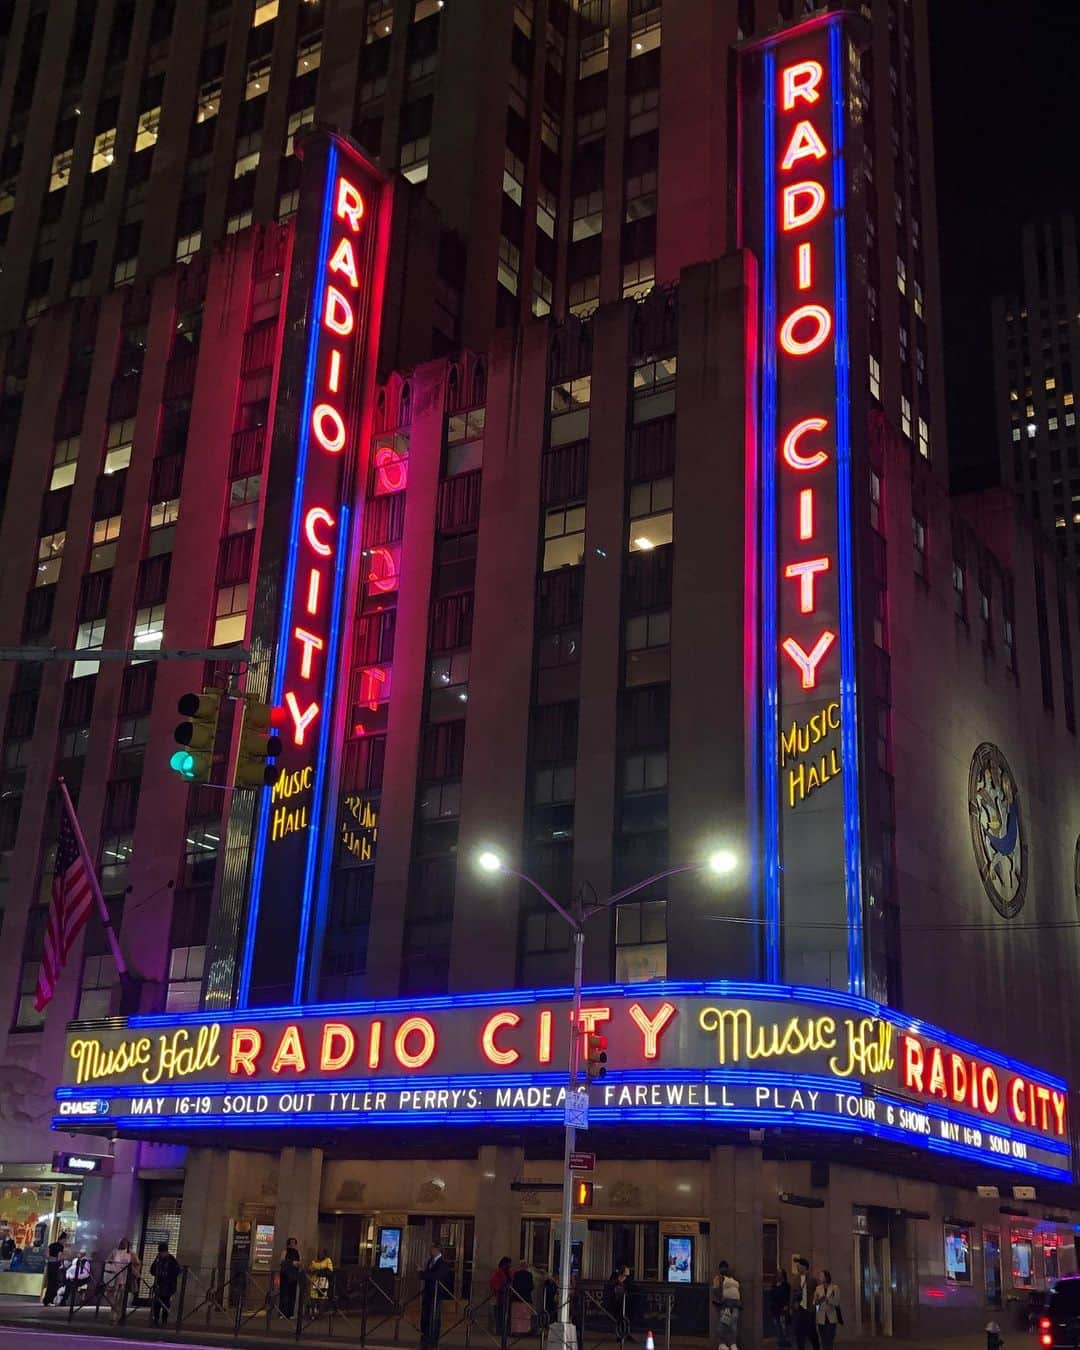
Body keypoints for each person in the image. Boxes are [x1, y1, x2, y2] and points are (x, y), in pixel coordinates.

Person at [419, 1242, 453, 1348]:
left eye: (432, 1248)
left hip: (436, 1295)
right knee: (425, 1317)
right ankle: (425, 1337)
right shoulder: (430, 1261)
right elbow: (428, 1275)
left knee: (434, 1318)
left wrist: (423, 1273)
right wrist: (422, 1273)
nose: (430, 1250)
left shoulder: (442, 1264)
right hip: (428, 1293)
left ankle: (433, 1339)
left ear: (437, 1250)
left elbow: (435, 1276)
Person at [104, 1239, 140, 1324]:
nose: (123, 1244)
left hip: (125, 1278)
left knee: (122, 1299)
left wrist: (136, 1274)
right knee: (114, 1298)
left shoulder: (131, 1253)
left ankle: (119, 1316)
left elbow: (137, 1263)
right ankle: (113, 1316)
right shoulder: (115, 1251)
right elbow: (108, 1261)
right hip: (115, 1277)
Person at [149, 1241, 181, 1327]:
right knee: (157, 1303)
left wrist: (170, 1277)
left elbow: (177, 1270)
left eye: (162, 1252)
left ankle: (164, 1320)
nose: (161, 1254)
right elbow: (152, 1270)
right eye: (160, 1252)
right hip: (159, 1284)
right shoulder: (158, 1260)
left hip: (168, 1285)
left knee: (166, 1303)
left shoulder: (171, 1260)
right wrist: (156, 1262)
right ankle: (156, 1319)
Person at [712, 1261, 741, 1350]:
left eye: (726, 1267)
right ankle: (722, 1343)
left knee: (734, 1325)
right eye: (723, 1267)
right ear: (720, 1269)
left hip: (735, 1305)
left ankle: (733, 1343)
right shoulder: (718, 1278)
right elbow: (715, 1289)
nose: (725, 1269)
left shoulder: (733, 1278)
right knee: (724, 1324)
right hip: (726, 1305)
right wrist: (722, 1299)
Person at [791, 1258, 819, 1350]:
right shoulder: (795, 1280)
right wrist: (793, 1305)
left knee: (812, 1334)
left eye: (799, 1265)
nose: (797, 1267)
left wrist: (815, 1308)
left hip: (809, 1311)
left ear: (804, 1267)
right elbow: (792, 1294)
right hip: (798, 1311)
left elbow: (817, 1295)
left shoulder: (813, 1281)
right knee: (799, 1335)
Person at [813, 1269, 840, 1349]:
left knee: (829, 1340)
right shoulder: (818, 1288)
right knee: (823, 1340)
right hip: (821, 1318)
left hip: (831, 1318)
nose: (819, 1277)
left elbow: (837, 1302)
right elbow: (815, 1303)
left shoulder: (835, 1288)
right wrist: (818, 1302)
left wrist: (828, 1300)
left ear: (826, 1277)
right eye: (819, 1276)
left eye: (821, 1276)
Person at [278, 1238, 301, 1318]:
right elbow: (281, 1261)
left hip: (294, 1275)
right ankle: (282, 1312)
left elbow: (301, 1262)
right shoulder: (285, 1252)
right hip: (285, 1275)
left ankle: (290, 1313)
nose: (293, 1245)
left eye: (294, 1243)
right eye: (291, 1243)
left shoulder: (297, 1252)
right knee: (284, 1294)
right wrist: (291, 1263)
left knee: (292, 1294)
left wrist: (298, 1264)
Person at [511, 1260, 535, 1336]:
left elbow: (514, 1285)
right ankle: (524, 1331)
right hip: (526, 1297)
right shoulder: (529, 1275)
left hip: (517, 1297)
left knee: (516, 1315)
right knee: (525, 1316)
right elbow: (531, 1286)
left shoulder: (516, 1274)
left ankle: (516, 1331)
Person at [490, 1256, 513, 1334]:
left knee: (504, 1314)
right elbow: (494, 1283)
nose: (509, 1266)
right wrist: (501, 1288)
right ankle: (499, 1330)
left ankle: (504, 1329)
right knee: (499, 1314)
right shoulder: (498, 1272)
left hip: (506, 1296)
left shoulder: (508, 1272)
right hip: (499, 1296)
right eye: (508, 1264)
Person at [770, 1269, 793, 1347]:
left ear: (783, 1275)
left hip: (783, 1308)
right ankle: (780, 1342)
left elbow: (789, 1296)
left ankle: (786, 1342)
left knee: (784, 1326)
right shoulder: (774, 1285)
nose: (778, 1275)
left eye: (780, 1273)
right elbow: (771, 1296)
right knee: (777, 1326)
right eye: (777, 1273)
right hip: (775, 1309)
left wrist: (787, 1306)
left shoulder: (786, 1285)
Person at [42, 1238, 65, 1306]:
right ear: (62, 1240)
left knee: (50, 1282)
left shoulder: (51, 1245)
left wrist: (50, 1259)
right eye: (64, 1240)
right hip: (55, 1264)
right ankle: (50, 1300)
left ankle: (46, 1300)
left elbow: (47, 1254)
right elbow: (59, 1257)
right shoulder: (60, 1246)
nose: (64, 1242)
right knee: (54, 1283)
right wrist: (61, 1260)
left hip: (50, 1264)